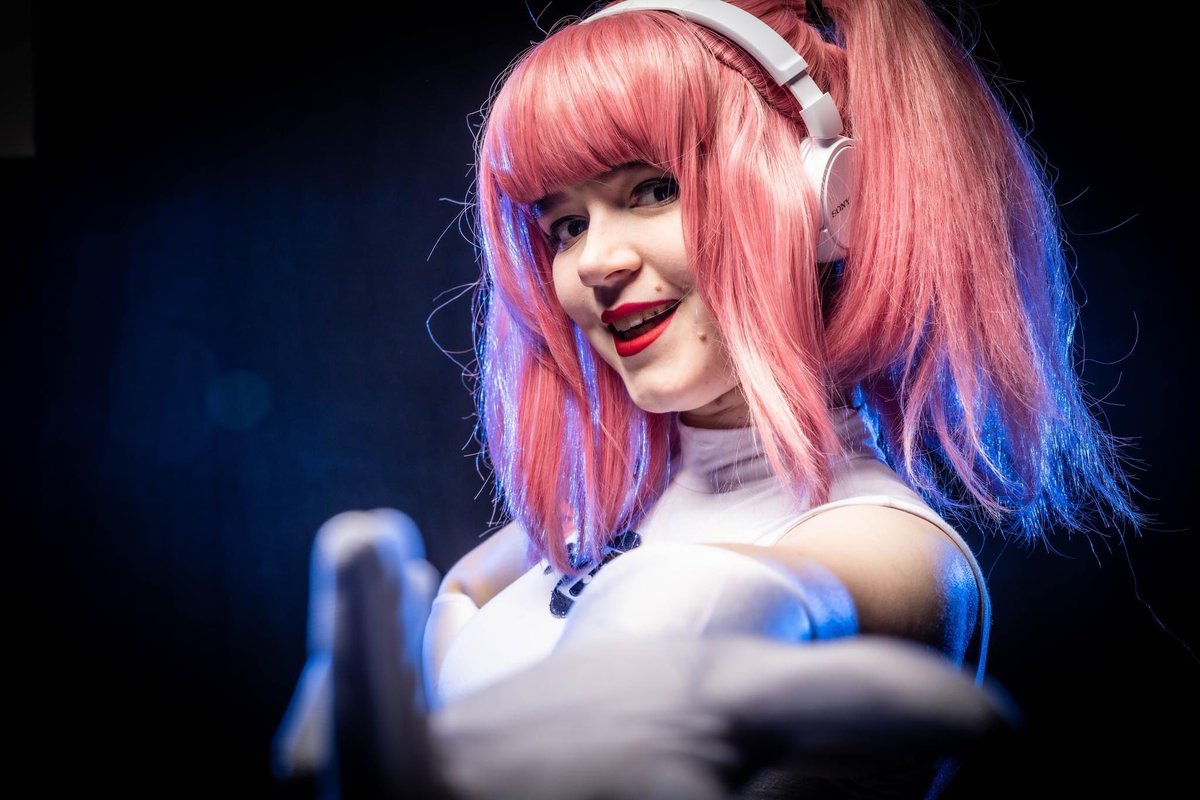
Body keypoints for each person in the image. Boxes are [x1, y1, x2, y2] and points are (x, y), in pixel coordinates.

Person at [275, 1, 1145, 797]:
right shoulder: (598, 517)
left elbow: (761, 599)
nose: (594, 263)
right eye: (566, 224)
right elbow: (468, 597)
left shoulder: (889, 551)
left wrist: (635, 650)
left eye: (653, 189)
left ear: (825, 203)